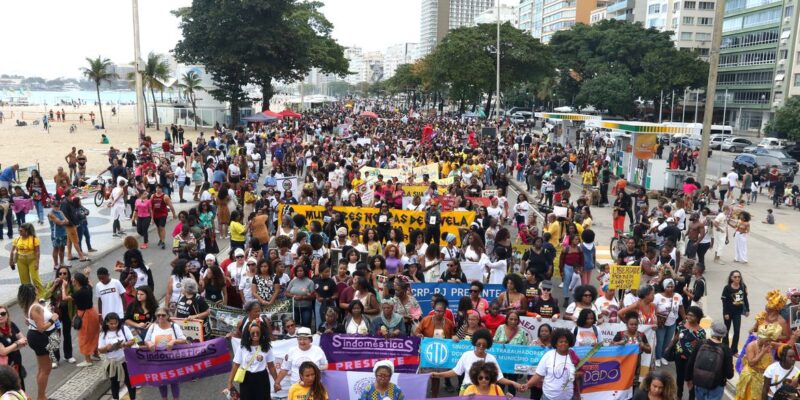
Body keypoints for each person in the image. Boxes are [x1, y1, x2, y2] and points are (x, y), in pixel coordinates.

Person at [431, 328, 523, 394]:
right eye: (479, 344)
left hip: (485, 391)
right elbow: (456, 372)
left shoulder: (491, 358)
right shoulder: (466, 355)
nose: (481, 346)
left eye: (484, 344)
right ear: (475, 343)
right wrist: (438, 375)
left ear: (488, 345)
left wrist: (513, 383)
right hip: (467, 391)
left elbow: (499, 378)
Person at [19, 284, 57, 400]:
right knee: (46, 368)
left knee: (42, 368)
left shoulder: (30, 305)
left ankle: (42, 395)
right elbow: (41, 328)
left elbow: (31, 321)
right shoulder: (35, 307)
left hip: (36, 336)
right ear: (34, 291)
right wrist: (53, 318)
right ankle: (41, 397)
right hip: (39, 337)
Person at [225, 320, 278, 400]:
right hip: (247, 379)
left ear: (261, 333)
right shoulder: (242, 347)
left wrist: (276, 382)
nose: (255, 335)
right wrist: (230, 382)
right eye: (253, 333)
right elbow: (236, 365)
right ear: (248, 334)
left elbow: (271, 367)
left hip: (262, 378)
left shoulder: (266, 347)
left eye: (258, 332)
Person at [525, 328, 582, 400]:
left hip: (568, 397)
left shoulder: (573, 356)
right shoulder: (548, 355)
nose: (563, 344)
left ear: (569, 343)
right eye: (560, 342)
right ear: (555, 343)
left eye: (566, 342)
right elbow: (538, 375)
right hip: (548, 397)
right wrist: (527, 385)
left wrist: (577, 374)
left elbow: (581, 371)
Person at [144, 307, 187, 400]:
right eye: (158, 315)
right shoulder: (152, 327)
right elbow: (146, 340)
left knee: (174, 381)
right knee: (161, 381)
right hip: (158, 360)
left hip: (173, 359)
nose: (160, 317)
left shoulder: (174, 326)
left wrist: (174, 341)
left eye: (163, 315)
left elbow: (183, 339)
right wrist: (149, 343)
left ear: (168, 316)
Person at [685, 321, 734, 400]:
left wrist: (688, 379)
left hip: (699, 382)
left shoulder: (701, 343)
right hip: (716, 385)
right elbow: (729, 375)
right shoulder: (726, 349)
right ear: (723, 335)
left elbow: (690, 362)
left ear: (711, 330)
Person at [735, 323, 783, 400]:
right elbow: (751, 363)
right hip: (750, 378)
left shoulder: (769, 344)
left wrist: (794, 338)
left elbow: (784, 346)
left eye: (770, 340)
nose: (769, 342)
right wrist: (762, 352)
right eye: (767, 340)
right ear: (761, 337)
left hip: (762, 379)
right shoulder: (751, 345)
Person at [273, 327, 327, 393]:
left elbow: (326, 365)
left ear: (310, 340)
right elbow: (284, 369)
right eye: (300, 339)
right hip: (296, 388)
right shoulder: (292, 351)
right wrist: (277, 383)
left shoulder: (318, 350)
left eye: (305, 339)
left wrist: (315, 368)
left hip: (313, 387)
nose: (302, 341)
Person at [670, 305, 706, 400]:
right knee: (679, 377)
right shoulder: (681, 324)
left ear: (698, 318)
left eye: (692, 316)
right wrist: (669, 346)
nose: (689, 317)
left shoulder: (701, 332)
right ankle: (679, 395)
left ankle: (691, 397)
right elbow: (677, 336)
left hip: (691, 360)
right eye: (688, 315)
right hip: (679, 356)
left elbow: (702, 347)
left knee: (690, 379)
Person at [97, 313, 136, 400]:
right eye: (111, 323)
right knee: (114, 383)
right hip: (111, 363)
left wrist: (125, 344)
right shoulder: (103, 333)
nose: (114, 325)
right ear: (106, 323)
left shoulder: (123, 329)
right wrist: (107, 348)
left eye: (115, 323)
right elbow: (100, 350)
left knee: (130, 382)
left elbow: (133, 340)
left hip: (124, 361)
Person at [9, 223, 43, 295]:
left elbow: (37, 252)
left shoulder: (34, 239)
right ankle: (28, 296)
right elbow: (12, 251)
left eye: (21, 231)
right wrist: (11, 261)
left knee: (35, 278)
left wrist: (37, 262)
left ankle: (42, 295)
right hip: (21, 261)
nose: (19, 232)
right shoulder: (17, 239)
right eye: (19, 230)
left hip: (32, 260)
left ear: (27, 231)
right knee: (24, 280)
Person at [721, 270, 749, 354]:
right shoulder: (727, 288)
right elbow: (724, 301)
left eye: (739, 277)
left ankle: (734, 350)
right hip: (728, 313)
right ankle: (725, 348)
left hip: (737, 313)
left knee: (737, 331)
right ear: (731, 278)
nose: (737, 278)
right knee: (726, 331)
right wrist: (725, 313)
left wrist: (747, 309)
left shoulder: (743, 286)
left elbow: (745, 299)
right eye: (735, 277)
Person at [0, 305, 27, 392]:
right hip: (5, 370)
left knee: (21, 389)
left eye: (3, 313)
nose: (0, 316)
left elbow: (24, 340)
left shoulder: (12, 325)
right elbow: (3, 351)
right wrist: (17, 343)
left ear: (7, 315)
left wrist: (12, 347)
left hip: (17, 364)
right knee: (10, 392)